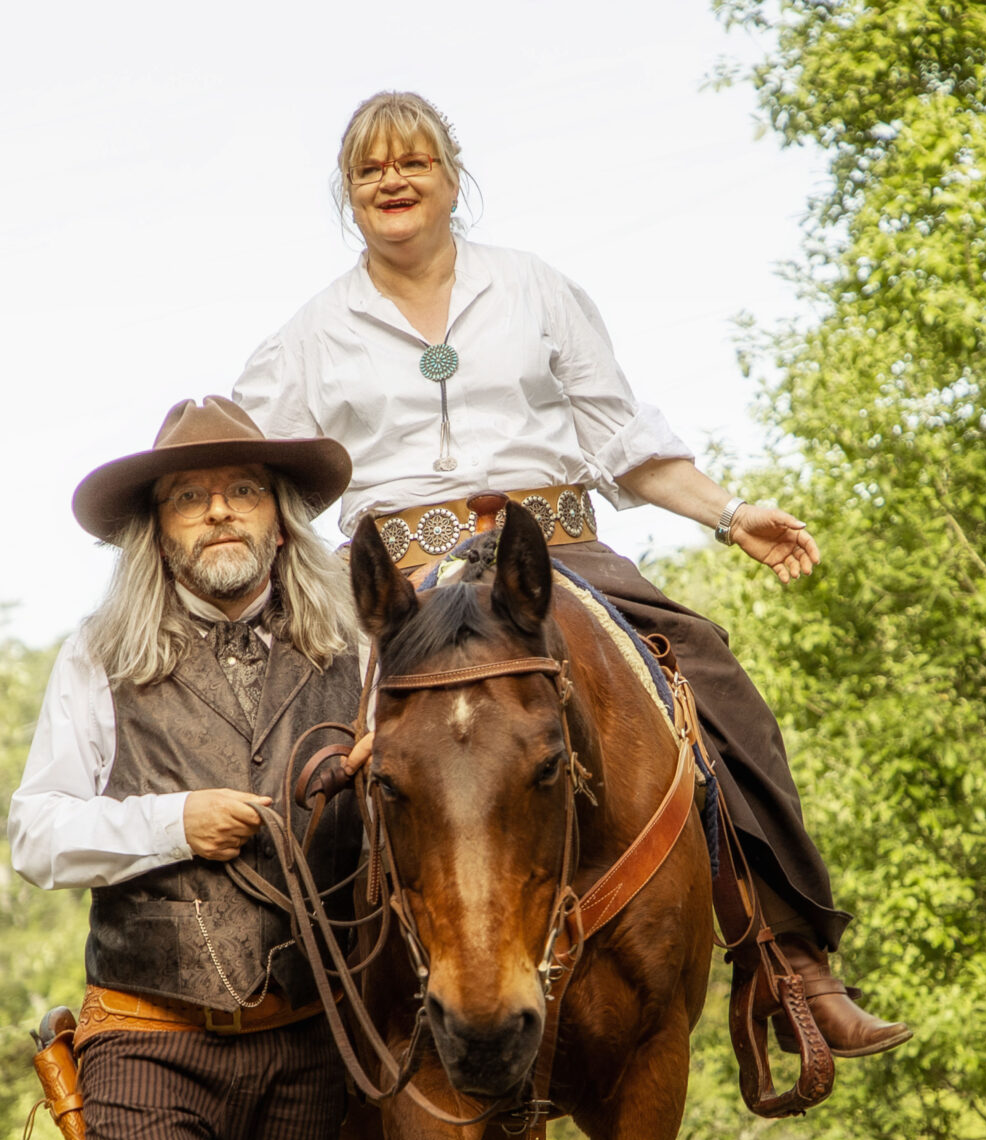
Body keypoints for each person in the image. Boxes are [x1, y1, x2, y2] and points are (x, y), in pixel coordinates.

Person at [234, 90, 907, 1059]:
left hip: (545, 556)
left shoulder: (534, 290)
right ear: (349, 195)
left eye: (412, 161)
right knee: (299, 752)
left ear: (451, 177)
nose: (392, 180)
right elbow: (251, 469)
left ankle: (786, 958)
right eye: (369, 169)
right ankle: (293, 1025)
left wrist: (727, 514)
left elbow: (620, 434)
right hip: (397, 591)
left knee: (708, 671)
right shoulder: (308, 334)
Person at [8, 396, 363, 1140]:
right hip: (144, 1028)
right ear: (155, 528)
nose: (219, 510)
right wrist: (173, 823)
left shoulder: (356, 656)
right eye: (188, 493)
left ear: (279, 516)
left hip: (301, 1038)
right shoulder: (97, 658)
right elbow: (37, 832)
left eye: (243, 490)